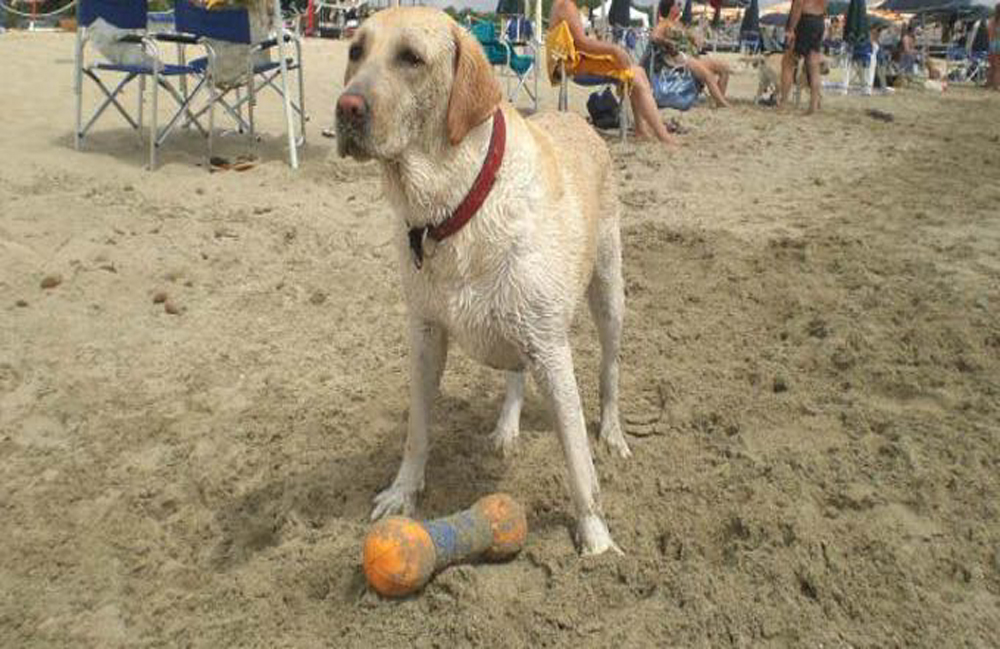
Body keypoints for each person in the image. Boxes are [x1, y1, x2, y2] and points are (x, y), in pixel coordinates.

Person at [549, 0, 677, 146]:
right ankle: (663, 135)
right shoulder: (566, 5)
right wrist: (614, 50)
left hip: (572, 64)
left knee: (638, 71)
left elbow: (578, 42)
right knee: (636, 76)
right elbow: (582, 43)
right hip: (575, 67)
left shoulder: (561, 4)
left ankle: (641, 129)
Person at [649, 0, 732, 108]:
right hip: (677, 57)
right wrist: (667, 42)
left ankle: (718, 100)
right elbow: (654, 36)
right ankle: (722, 103)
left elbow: (692, 37)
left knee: (724, 68)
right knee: (708, 75)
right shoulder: (664, 24)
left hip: (691, 55)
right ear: (671, 8)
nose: (680, 7)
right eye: (677, 5)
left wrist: (696, 39)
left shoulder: (679, 23)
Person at [779, 0, 827, 114]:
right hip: (819, 20)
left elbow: (798, 4)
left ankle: (783, 103)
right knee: (814, 65)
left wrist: (791, 30)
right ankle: (813, 106)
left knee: (788, 62)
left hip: (804, 20)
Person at [989, 3, 1000, 91]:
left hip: (992, 43)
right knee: (998, 67)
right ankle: (996, 86)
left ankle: (991, 84)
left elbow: (990, 33)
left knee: (993, 66)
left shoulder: (992, 20)